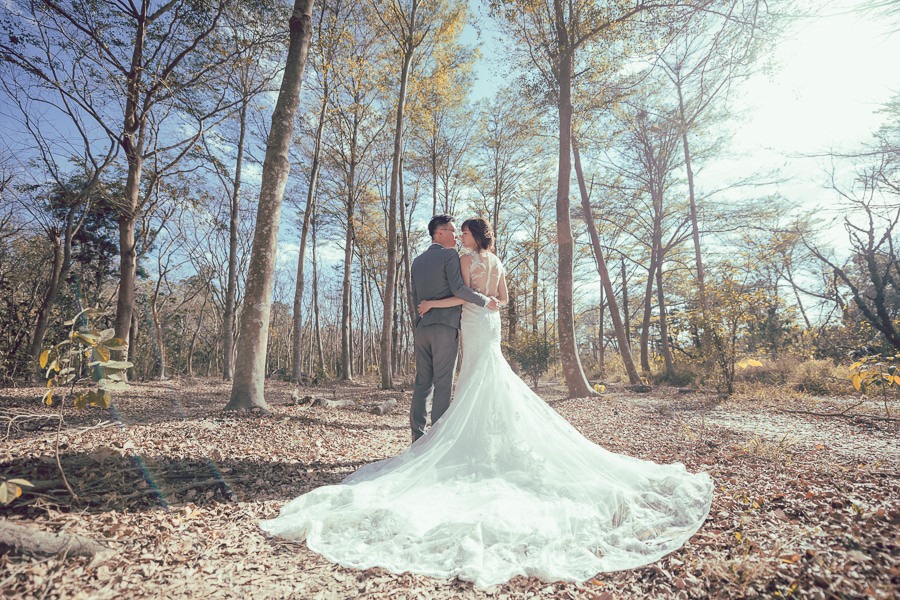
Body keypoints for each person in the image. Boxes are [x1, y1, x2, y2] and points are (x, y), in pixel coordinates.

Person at [260, 217, 713, 589]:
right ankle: (484, 433)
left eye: (465, 232)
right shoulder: (495, 260)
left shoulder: (465, 258)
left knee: (466, 377)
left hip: (471, 319)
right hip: (488, 320)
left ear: (474, 237)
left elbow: (460, 290)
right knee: (483, 376)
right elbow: (503, 298)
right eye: (456, 232)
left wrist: (437, 302)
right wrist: (490, 300)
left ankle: (446, 436)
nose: (460, 237)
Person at [408, 215, 498, 442]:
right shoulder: (450, 256)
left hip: (422, 329)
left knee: (421, 383)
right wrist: (484, 300)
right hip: (444, 328)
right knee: (443, 384)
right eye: (451, 230)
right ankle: (436, 440)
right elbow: (459, 289)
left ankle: (417, 437)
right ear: (438, 233)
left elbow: (414, 297)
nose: (456, 235)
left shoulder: (417, 261)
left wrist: (418, 323)